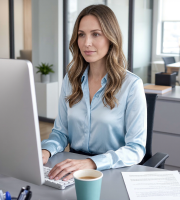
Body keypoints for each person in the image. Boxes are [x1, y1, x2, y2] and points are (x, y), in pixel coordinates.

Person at [41, 4, 147, 181]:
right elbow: (60, 132)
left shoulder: (131, 85)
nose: (86, 42)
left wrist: (92, 162)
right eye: (81, 34)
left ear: (111, 38)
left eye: (96, 34)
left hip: (112, 170)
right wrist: (46, 150)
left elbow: (136, 149)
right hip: (73, 169)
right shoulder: (71, 79)